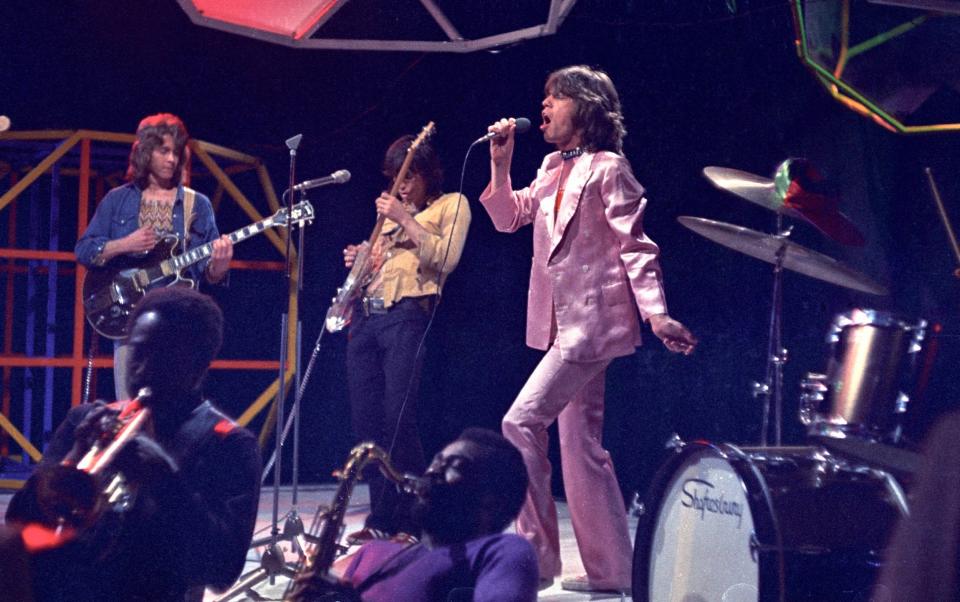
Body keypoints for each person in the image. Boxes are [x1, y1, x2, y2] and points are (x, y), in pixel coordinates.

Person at [479, 64, 699, 593]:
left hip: (591, 325)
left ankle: (535, 558)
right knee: (580, 447)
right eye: (545, 96)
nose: (545, 106)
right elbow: (509, 217)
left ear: (585, 106)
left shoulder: (609, 168)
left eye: (555, 97)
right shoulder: (552, 166)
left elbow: (635, 247)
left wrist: (655, 313)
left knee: (520, 422)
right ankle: (612, 571)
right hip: (560, 325)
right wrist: (501, 165)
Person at [5, 286, 262, 601]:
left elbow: (221, 572)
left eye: (163, 357)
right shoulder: (86, 419)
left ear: (199, 365)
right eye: (138, 352)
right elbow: (18, 524)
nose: (141, 369)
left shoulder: (228, 444)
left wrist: (164, 480)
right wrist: (73, 457)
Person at [341, 133, 471, 540]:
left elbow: (445, 258)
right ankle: (381, 520)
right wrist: (360, 259)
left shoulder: (452, 205)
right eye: (394, 177)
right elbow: (374, 269)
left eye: (409, 177)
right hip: (366, 319)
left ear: (428, 175)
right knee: (368, 423)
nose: (401, 186)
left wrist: (405, 219)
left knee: (398, 419)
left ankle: (413, 520)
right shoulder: (390, 219)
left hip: (407, 314)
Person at [75, 113, 233, 400]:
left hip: (180, 325)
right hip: (130, 322)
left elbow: (207, 273)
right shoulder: (118, 200)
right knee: (130, 411)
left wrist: (219, 267)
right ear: (146, 152)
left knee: (175, 413)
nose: (172, 159)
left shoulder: (197, 204)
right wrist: (122, 244)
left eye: (176, 152)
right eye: (164, 151)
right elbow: (85, 250)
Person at [292, 428, 539, 602]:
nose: (432, 472)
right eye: (437, 460)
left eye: (454, 465)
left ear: (493, 500)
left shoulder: (502, 551)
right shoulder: (373, 551)